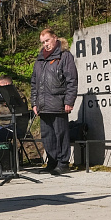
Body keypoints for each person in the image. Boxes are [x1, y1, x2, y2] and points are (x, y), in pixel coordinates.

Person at [31, 29, 78, 175]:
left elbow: (72, 80)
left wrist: (69, 101)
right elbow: (34, 83)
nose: (45, 44)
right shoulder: (39, 60)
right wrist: (34, 103)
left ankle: (63, 163)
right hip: (43, 104)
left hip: (58, 102)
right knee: (47, 135)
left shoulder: (65, 56)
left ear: (55, 38)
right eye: (43, 42)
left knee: (61, 133)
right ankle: (51, 162)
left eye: (47, 40)